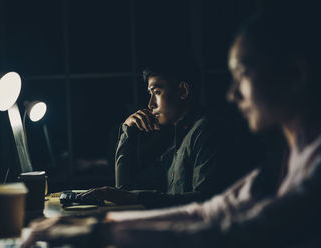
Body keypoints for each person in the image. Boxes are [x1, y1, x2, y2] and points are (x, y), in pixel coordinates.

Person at [22, 7, 321, 248]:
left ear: (295, 74)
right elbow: (209, 212)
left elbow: (237, 232)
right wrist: (100, 223)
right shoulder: (289, 156)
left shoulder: (313, 164)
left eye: (243, 74)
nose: (232, 94)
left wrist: (98, 234)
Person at [78, 59, 251, 208]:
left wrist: (131, 197)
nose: (150, 104)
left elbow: (206, 201)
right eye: (150, 94)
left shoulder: (206, 130)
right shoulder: (179, 139)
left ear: (183, 91)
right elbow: (125, 191)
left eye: (157, 92)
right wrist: (127, 130)